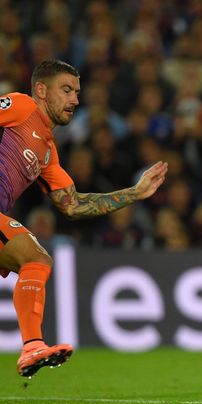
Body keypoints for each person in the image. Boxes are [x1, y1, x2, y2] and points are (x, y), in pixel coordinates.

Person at [0, 59, 167, 377]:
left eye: (77, 92)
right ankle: (32, 345)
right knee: (36, 259)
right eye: (66, 90)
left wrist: (135, 193)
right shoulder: (21, 107)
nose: (75, 99)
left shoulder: (48, 153)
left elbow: (74, 205)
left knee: (36, 261)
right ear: (40, 90)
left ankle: (32, 346)